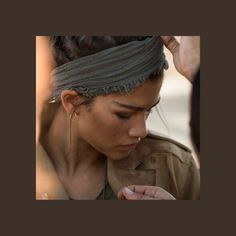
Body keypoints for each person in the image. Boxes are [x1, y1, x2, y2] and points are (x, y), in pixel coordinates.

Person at [36, 36, 200, 200]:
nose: (141, 131)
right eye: (124, 114)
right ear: (72, 101)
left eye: (148, 110)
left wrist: (196, 72)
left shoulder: (174, 169)